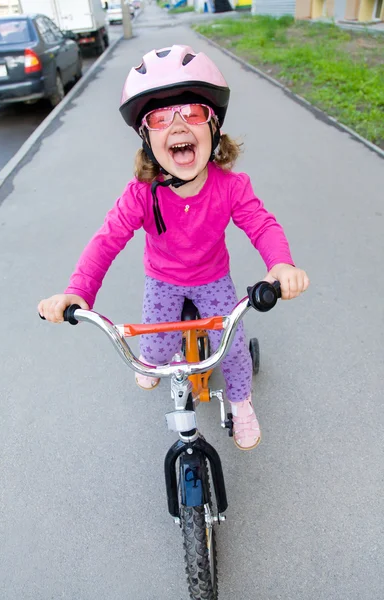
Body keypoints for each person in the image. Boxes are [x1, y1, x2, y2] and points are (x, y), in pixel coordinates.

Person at [38, 45, 309, 451]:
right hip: (163, 280)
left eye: (193, 113)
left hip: (212, 278)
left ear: (214, 127)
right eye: (160, 118)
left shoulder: (231, 186)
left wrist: (281, 264)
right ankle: (158, 362)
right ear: (147, 138)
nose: (178, 125)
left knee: (232, 348)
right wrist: (78, 292)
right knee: (153, 352)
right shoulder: (141, 194)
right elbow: (107, 240)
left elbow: (261, 224)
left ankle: (240, 403)